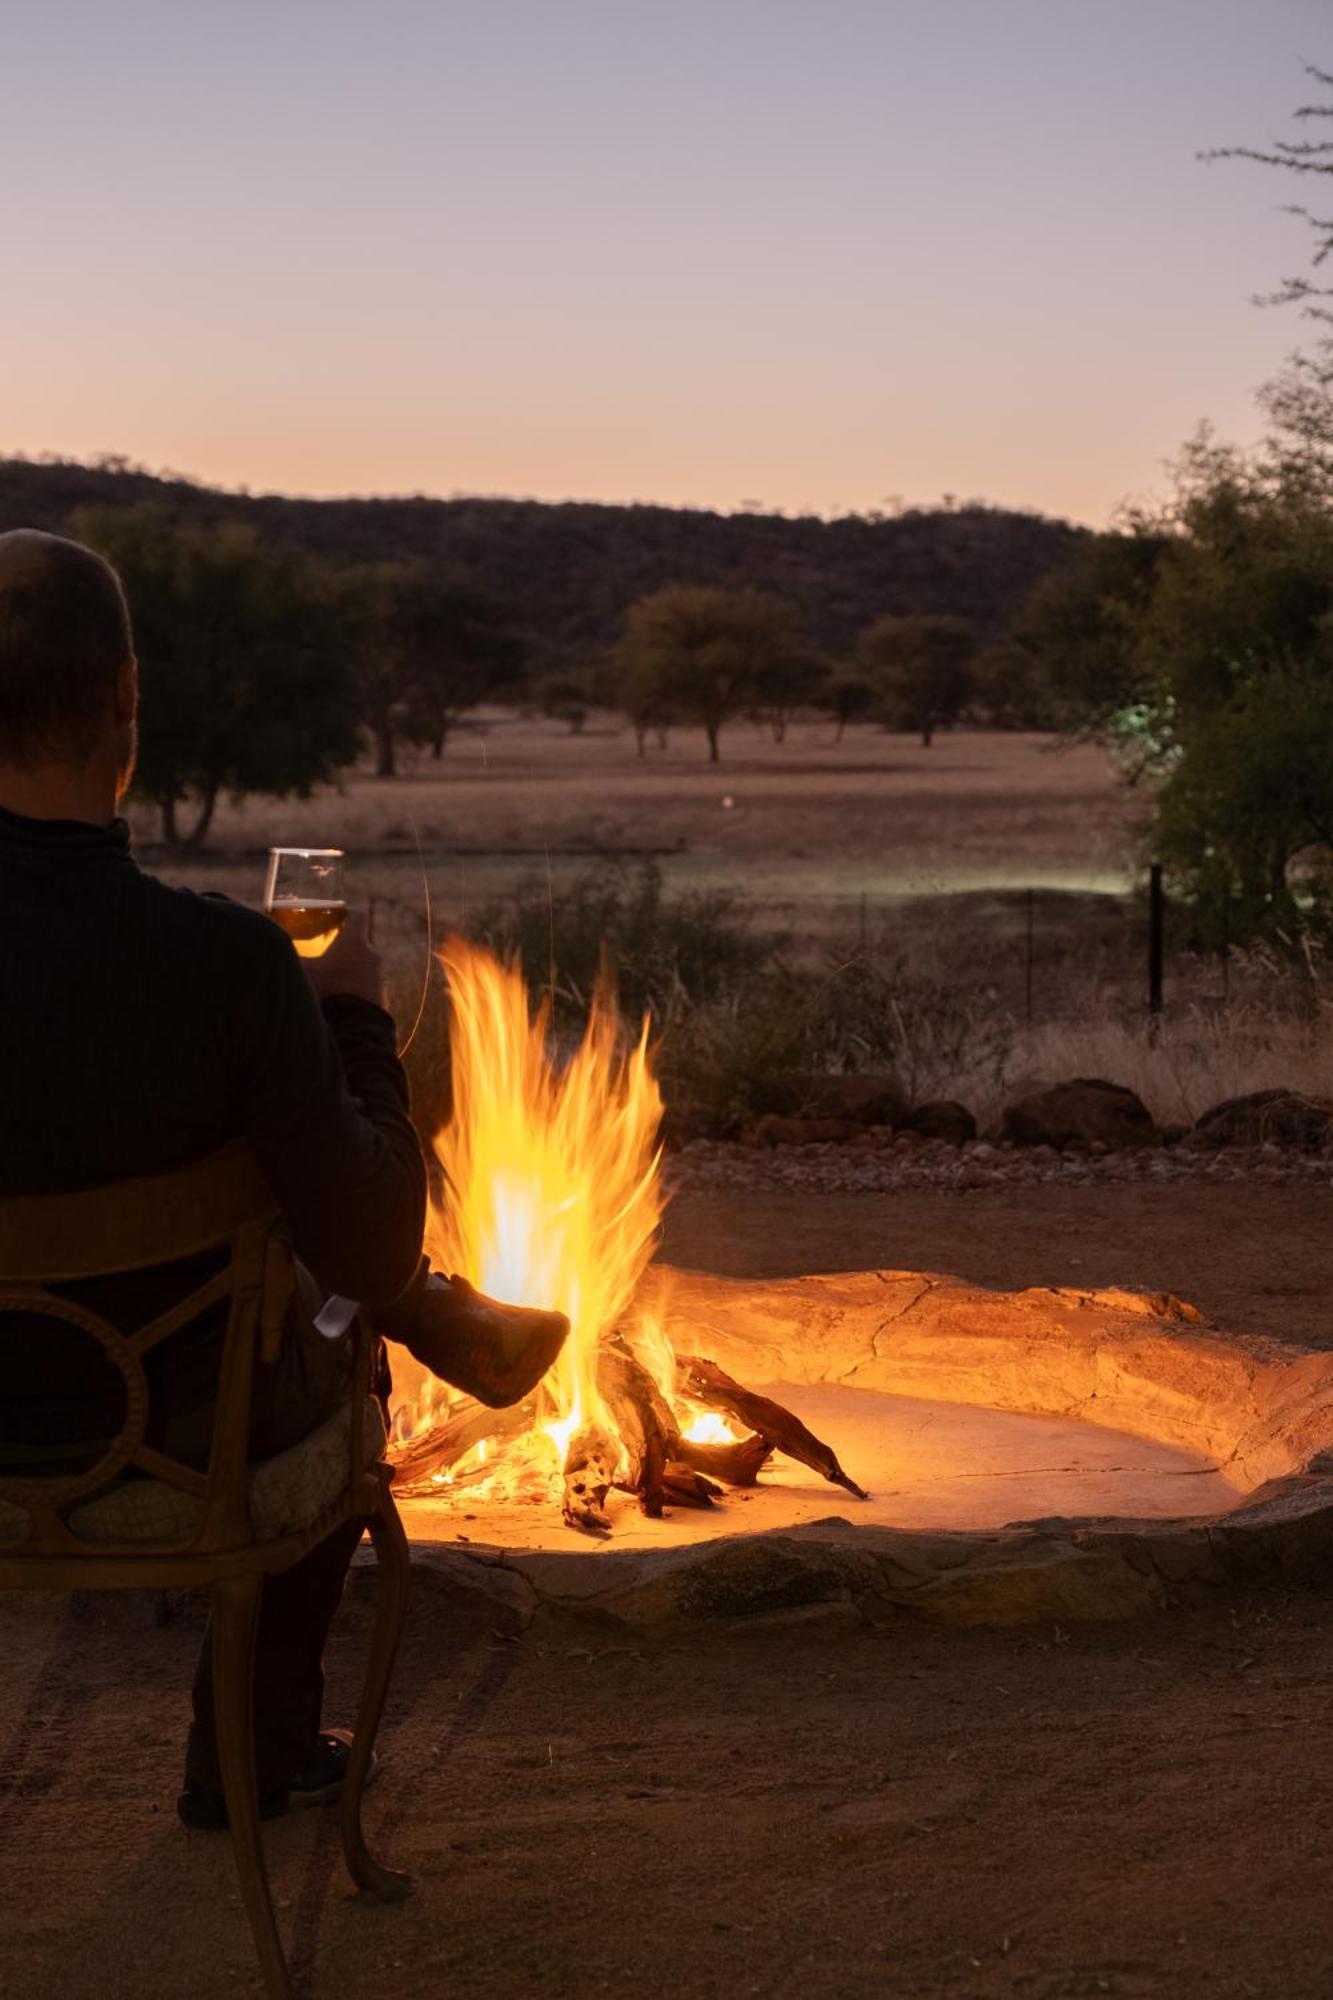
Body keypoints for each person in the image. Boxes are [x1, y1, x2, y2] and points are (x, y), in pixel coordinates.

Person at [0, 527, 570, 1829]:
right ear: (127, 701)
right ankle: (248, 1753)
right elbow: (365, 1246)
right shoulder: (225, 967)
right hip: (161, 1445)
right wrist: (354, 1021)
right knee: (341, 1324)